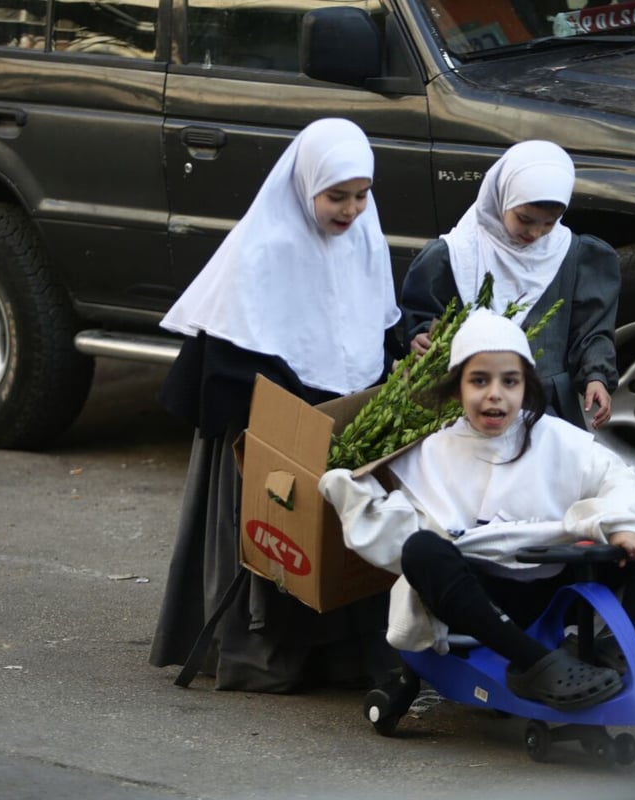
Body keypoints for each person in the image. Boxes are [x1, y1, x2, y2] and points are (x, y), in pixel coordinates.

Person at [149, 118, 405, 693]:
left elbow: (374, 325)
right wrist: (292, 406)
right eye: (336, 196)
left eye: (361, 195)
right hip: (271, 419)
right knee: (279, 535)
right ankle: (265, 658)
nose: (351, 210)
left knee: (347, 539)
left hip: (343, 418)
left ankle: (343, 658)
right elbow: (233, 350)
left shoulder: (365, 238)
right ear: (303, 185)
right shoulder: (265, 247)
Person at [319, 310, 635, 711]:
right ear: (457, 389)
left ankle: (620, 642)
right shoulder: (430, 451)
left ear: (526, 387)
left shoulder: (556, 437)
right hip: (478, 601)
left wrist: (620, 525)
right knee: (421, 550)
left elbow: (623, 479)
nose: (495, 394)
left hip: (554, 593)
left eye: (509, 381)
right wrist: (348, 487)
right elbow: (391, 527)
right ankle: (532, 664)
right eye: (479, 380)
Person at [400, 140, 619, 430]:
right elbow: (423, 317)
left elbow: (590, 331)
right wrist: (421, 337)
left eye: (548, 223)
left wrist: (596, 376)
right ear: (501, 195)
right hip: (469, 406)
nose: (535, 232)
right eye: (525, 219)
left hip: (546, 406)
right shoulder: (456, 255)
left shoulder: (572, 255)